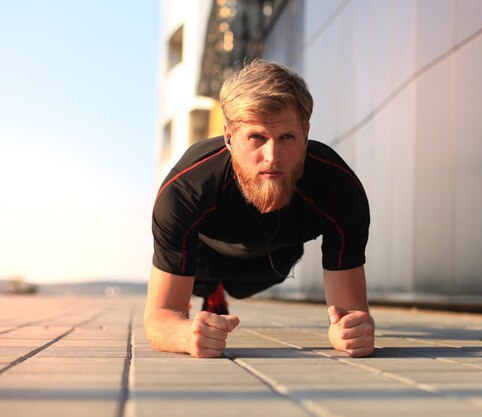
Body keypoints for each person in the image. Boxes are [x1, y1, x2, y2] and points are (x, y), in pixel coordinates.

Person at [145, 60, 374, 358]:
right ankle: (211, 291)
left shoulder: (339, 188)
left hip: (275, 256)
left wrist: (348, 332)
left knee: (243, 288)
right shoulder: (185, 190)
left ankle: (226, 290)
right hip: (204, 255)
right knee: (201, 281)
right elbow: (159, 317)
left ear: (306, 134)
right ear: (229, 137)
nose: (272, 157)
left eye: (286, 138)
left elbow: (348, 314)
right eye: (256, 137)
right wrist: (186, 334)